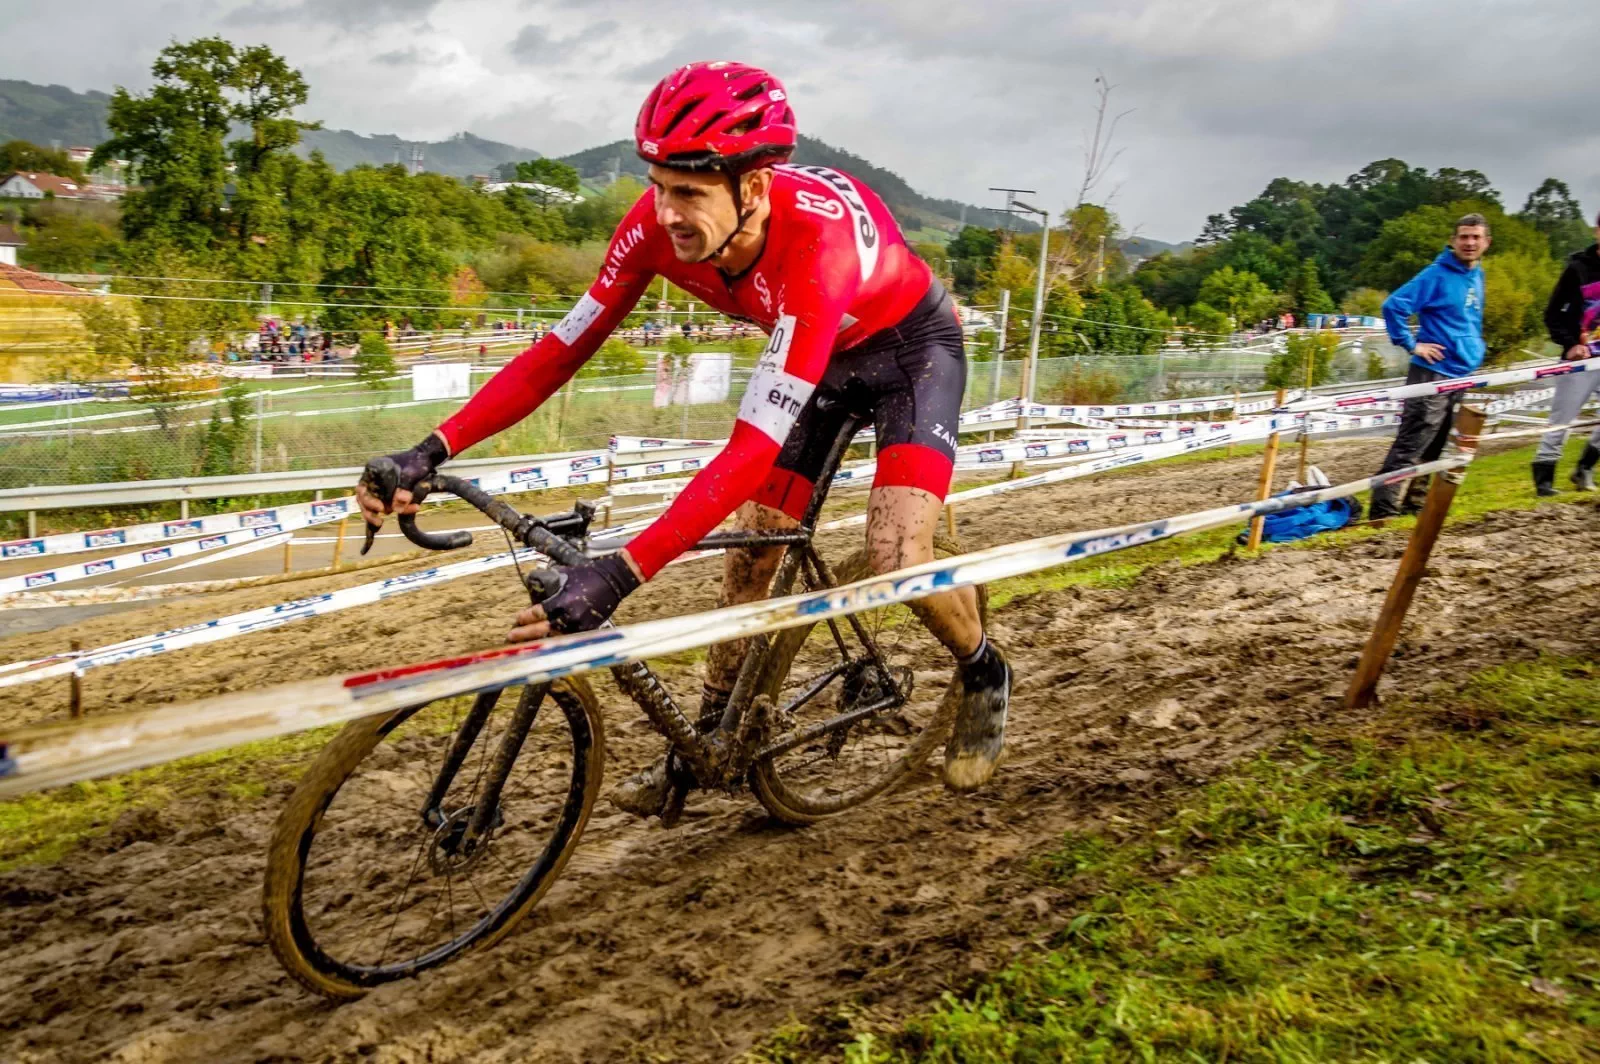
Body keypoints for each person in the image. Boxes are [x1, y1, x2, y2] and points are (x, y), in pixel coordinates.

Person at [356, 60, 1010, 805]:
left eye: (689, 193)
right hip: (819, 358)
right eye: (658, 186)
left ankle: (983, 668)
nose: (666, 213)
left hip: (910, 353)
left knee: (897, 552)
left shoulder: (813, 251)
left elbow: (750, 448)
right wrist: (432, 448)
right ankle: (709, 741)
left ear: (754, 188)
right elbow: (560, 351)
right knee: (753, 550)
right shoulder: (652, 229)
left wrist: (619, 574)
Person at [1368, 213, 1490, 518]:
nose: (1469, 242)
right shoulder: (1435, 275)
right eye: (1464, 236)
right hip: (1432, 372)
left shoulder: (1477, 274)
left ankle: (1416, 504)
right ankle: (1383, 511)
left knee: (1438, 445)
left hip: (1460, 372)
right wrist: (1412, 344)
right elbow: (1394, 306)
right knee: (1413, 443)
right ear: (1453, 240)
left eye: (1475, 237)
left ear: (1486, 242)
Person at [1531, 210, 1600, 494]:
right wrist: (1571, 343)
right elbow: (1552, 313)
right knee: (1562, 419)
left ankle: (1584, 468)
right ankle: (1544, 479)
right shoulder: (1578, 269)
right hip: (1581, 360)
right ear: (1597, 231)